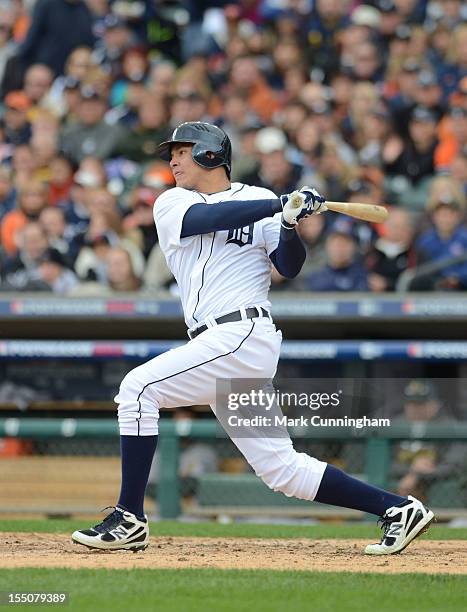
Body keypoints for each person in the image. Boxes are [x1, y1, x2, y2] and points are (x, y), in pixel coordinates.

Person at [72, 121, 434, 555]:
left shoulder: (259, 200)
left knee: (137, 390)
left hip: (241, 333)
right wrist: (276, 205)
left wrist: (288, 222)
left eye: (182, 152)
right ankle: (397, 509)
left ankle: (129, 517)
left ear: (209, 154)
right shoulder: (172, 201)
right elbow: (207, 218)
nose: (172, 160)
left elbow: (289, 265)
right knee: (282, 470)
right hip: (220, 343)